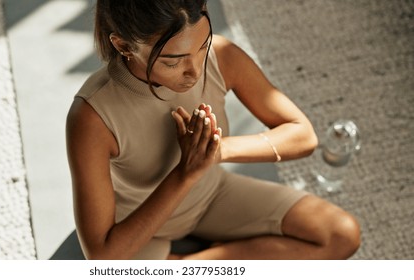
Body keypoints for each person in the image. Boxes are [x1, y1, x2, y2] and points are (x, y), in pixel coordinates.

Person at [66, 0, 361, 260]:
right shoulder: (91, 116)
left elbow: (303, 135)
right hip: (138, 226)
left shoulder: (222, 55)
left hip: (212, 196)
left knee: (341, 235)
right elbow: (102, 256)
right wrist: (186, 172)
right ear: (123, 45)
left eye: (202, 46)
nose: (195, 71)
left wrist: (215, 151)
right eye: (173, 61)